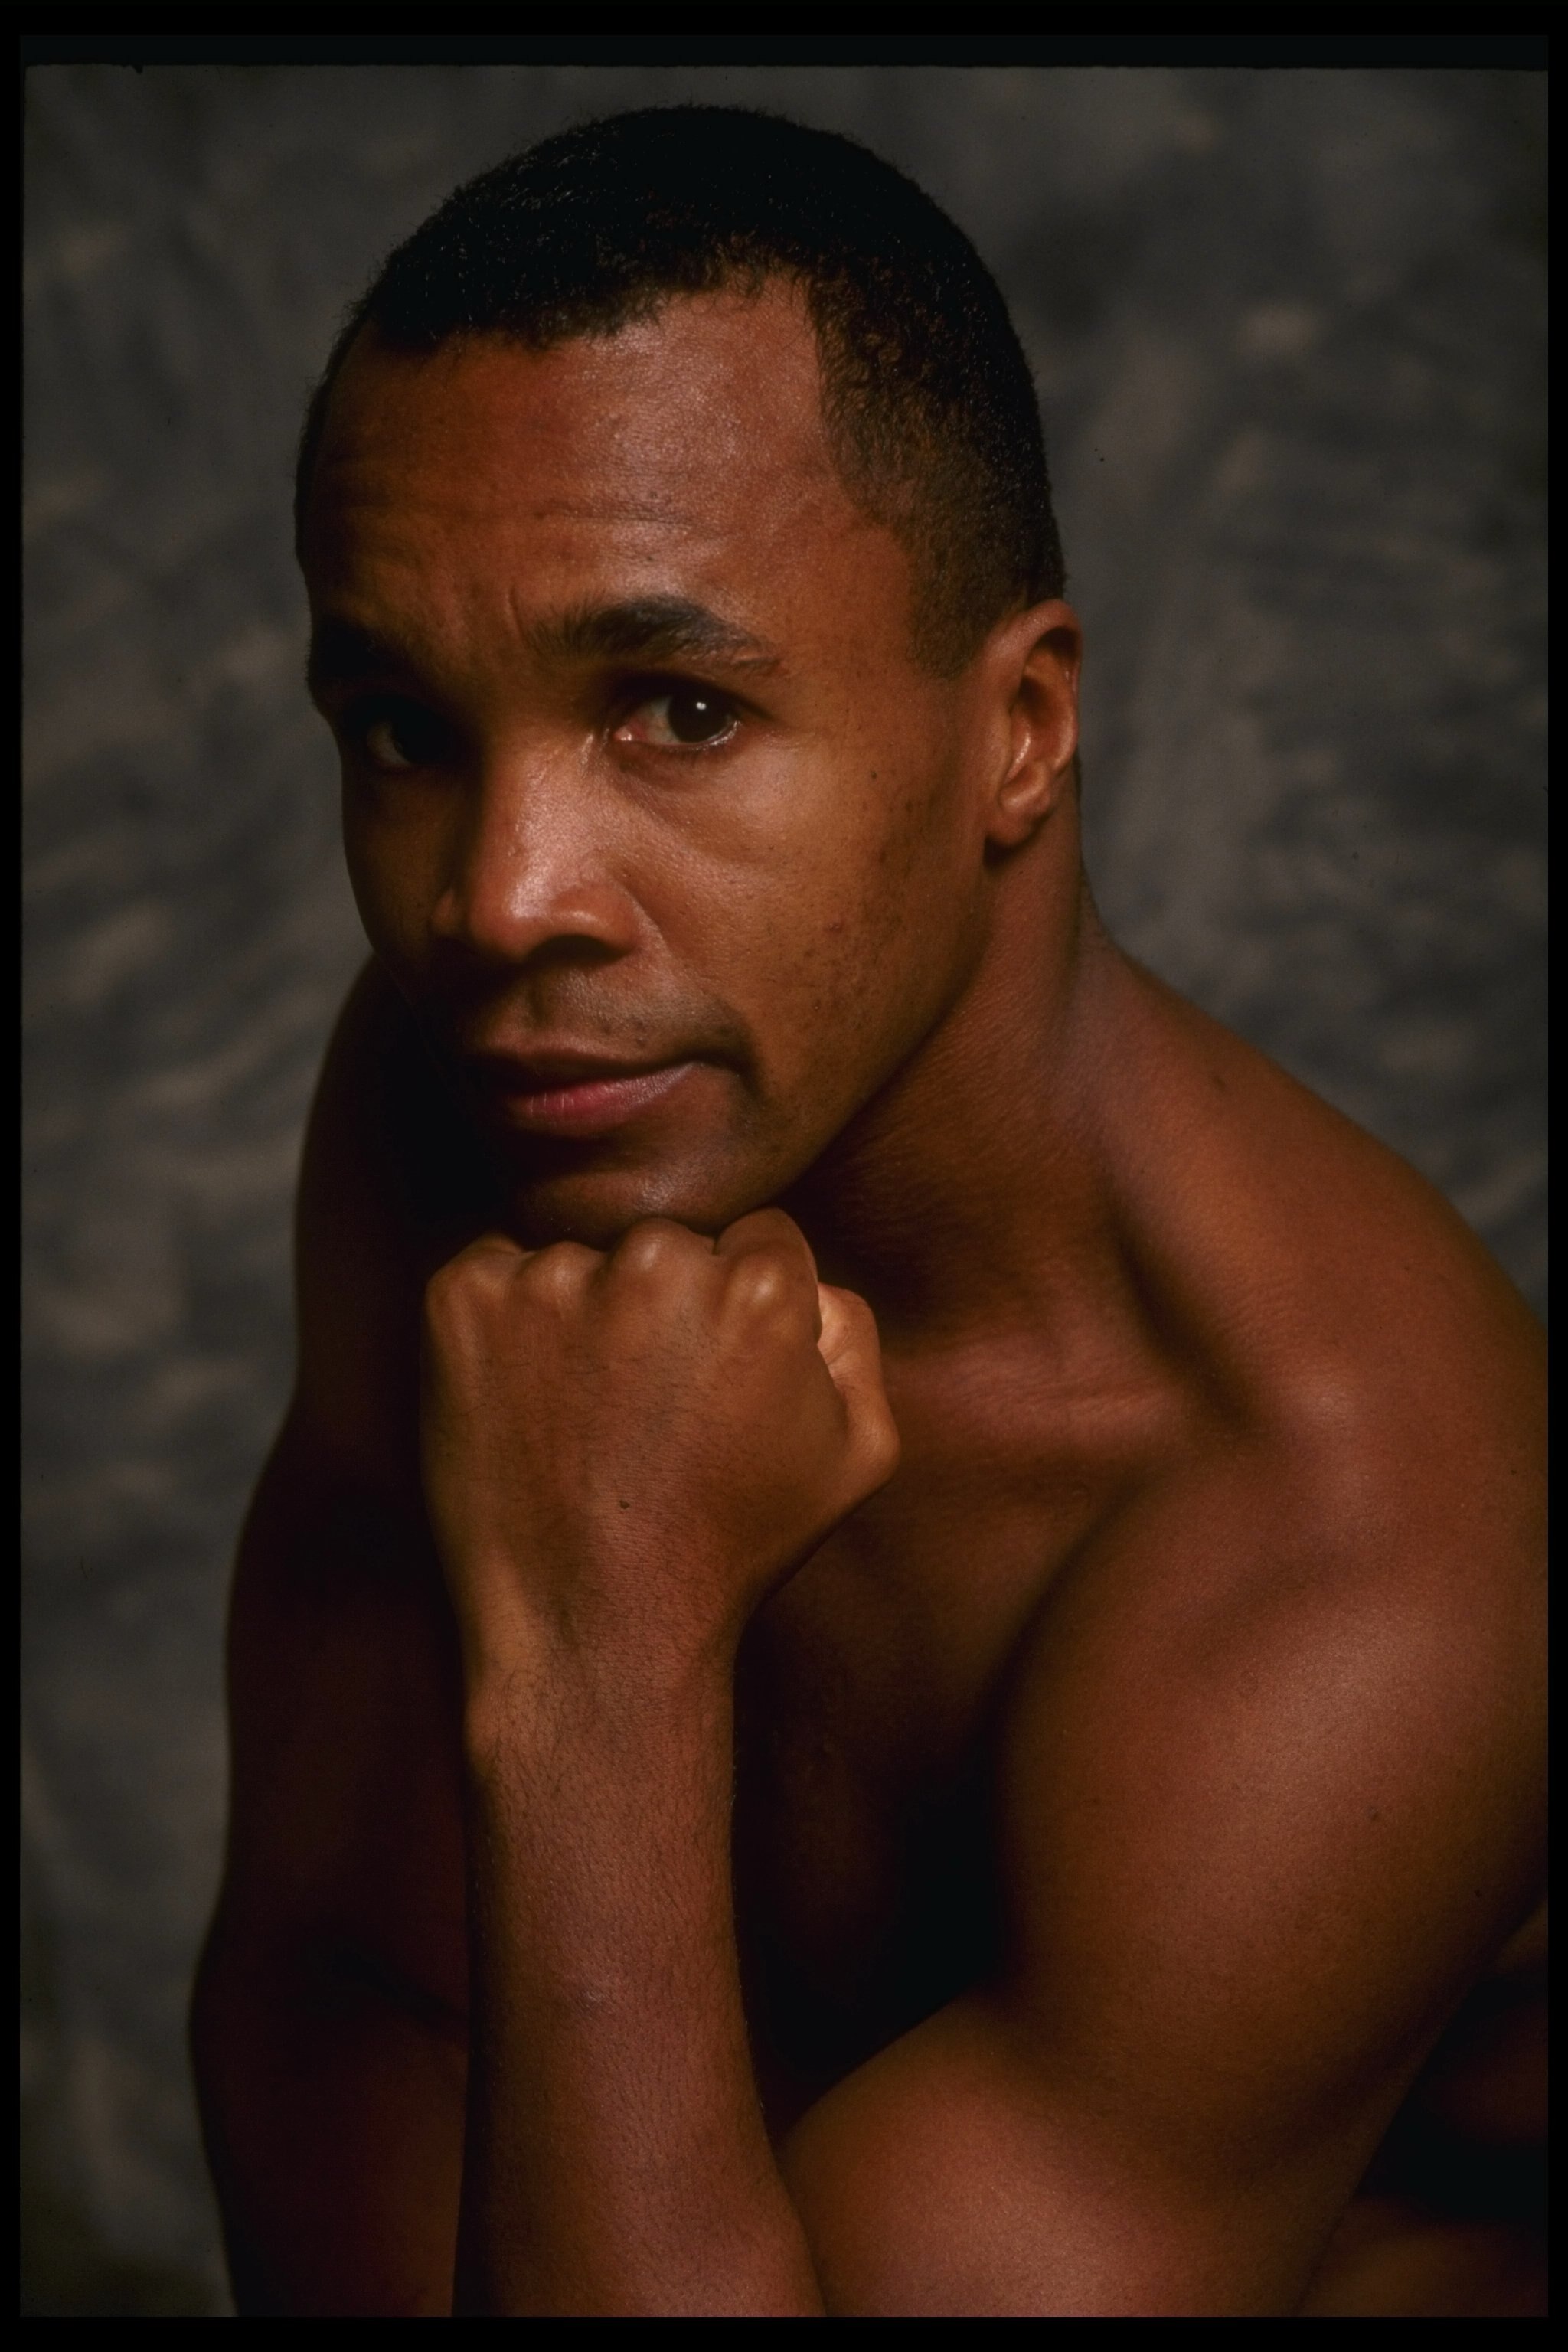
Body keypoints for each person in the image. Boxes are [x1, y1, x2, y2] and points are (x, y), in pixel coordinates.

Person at [188, 108, 1544, 2318]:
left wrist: (596, 1669)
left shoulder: (1361, 1547)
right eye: (405, 729)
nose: (499, 896)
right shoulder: (503, 1082)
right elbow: (340, 1998)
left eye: (677, 711)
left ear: (1021, 730)